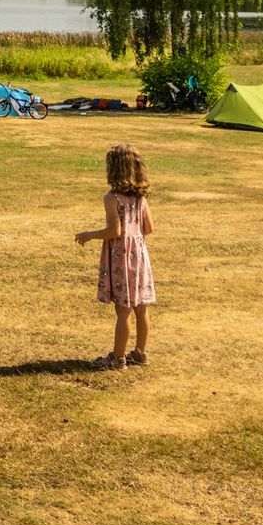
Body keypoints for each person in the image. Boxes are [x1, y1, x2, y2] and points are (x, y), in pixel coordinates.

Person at [76, 143, 155, 370]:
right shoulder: (141, 198)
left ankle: (117, 358)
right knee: (141, 307)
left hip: (121, 257)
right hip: (139, 256)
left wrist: (90, 235)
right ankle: (140, 353)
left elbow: (114, 231)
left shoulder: (112, 198)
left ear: (114, 170)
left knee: (123, 309)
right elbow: (148, 228)